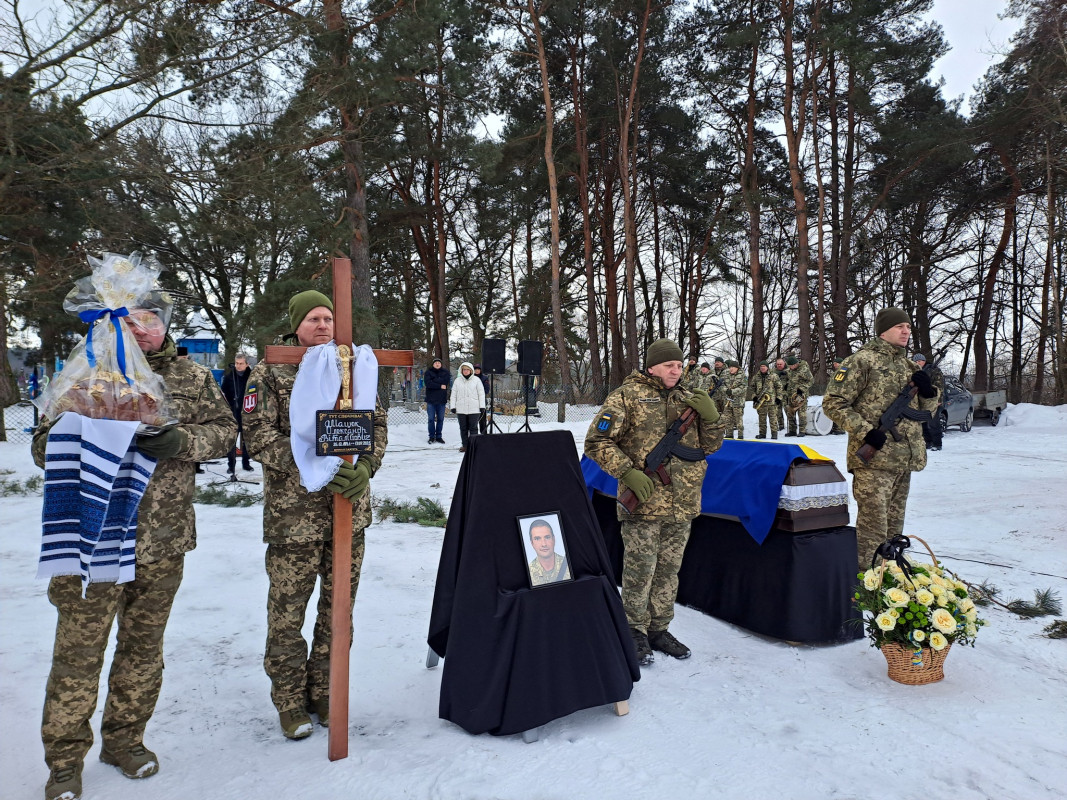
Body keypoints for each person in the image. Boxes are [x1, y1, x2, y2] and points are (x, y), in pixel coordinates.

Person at [32, 299, 236, 800]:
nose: (140, 330)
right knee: (78, 652)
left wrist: (180, 441)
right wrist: (83, 431)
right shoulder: (85, 377)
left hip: (162, 542)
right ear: (111, 328)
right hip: (93, 540)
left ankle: (125, 741)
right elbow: (41, 448)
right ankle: (64, 761)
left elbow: (225, 433)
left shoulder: (191, 377)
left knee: (143, 649)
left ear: (164, 327)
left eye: (150, 321)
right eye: (130, 322)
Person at [242, 289, 388, 740]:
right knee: (287, 614)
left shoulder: (354, 368)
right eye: (313, 319)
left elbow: (376, 423)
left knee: (337, 612)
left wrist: (364, 466)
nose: (323, 325)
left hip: (349, 514)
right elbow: (257, 434)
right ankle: (289, 703)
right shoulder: (270, 372)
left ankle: (325, 691)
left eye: (328, 317)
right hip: (294, 519)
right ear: (296, 324)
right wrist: (316, 465)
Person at [584, 338, 725, 665]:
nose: (676, 370)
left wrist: (713, 417)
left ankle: (659, 629)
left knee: (669, 571)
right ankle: (633, 630)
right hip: (644, 503)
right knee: (639, 570)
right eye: (668, 365)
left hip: (683, 502)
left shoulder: (690, 398)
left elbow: (711, 446)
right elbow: (596, 442)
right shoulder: (626, 397)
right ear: (651, 366)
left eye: (679, 365)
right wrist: (627, 473)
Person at [822, 308, 940, 568]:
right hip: (873, 460)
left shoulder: (909, 366)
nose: (906, 331)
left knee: (894, 531)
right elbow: (833, 403)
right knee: (873, 530)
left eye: (908, 326)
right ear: (883, 331)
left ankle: (890, 579)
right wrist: (866, 432)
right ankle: (866, 584)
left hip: (902, 460)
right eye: (900, 326)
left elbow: (925, 414)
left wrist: (930, 392)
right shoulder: (861, 361)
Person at [221, 352, 254, 473]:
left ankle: (246, 463)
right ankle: (231, 465)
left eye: (241, 364)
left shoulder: (252, 377)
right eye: (236, 363)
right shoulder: (230, 377)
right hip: (233, 412)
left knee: (247, 439)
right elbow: (223, 393)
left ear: (247, 364)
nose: (238, 366)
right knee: (232, 440)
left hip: (248, 412)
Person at [449, 361, 485, 452]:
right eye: (464, 369)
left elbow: (481, 394)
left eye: (467, 370)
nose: (465, 371)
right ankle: (465, 445)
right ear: (461, 371)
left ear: (471, 371)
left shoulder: (477, 380)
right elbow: (453, 395)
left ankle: (473, 446)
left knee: (473, 428)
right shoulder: (457, 381)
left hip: (474, 408)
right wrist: (453, 406)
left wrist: (482, 406)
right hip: (461, 409)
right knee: (463, 428)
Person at [912, 353, 944, 451]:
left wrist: (938, 400)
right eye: (916, 361)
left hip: (932, 400)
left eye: (920, 361)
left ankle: (937, 443)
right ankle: (928, 442)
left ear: (924, 361)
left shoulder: (934, 370)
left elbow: (939, 386)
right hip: (919, 400)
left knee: (934, 423)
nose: (918, 363)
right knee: (923, 423)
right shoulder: (914, 371)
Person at [527, 518, 571, 586]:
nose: (544, 544)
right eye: (537, 539)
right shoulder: (528, 573)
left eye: (547, 537)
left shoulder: (569, 564)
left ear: (554, 539)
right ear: (532, 543)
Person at [749, 360, 781, 439]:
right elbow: (751, 388)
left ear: (767, 367)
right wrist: (754, 397)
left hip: (772, 401)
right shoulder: (756, 377)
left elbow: (779, 387)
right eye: (761, 367)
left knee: (773, 418)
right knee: (762, 419)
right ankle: (762, 433)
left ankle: (774, 434)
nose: (762, 368)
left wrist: (779, 397)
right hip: (761, 401)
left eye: (764, 366)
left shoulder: (773, 376)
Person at [784, 355, 814, 436]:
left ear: (795, 364)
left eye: (790, 366)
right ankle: (792, 430)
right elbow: (791, 378)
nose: (789, 368)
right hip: (791, 394)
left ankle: (802, 431)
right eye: (789, 366)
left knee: (801, 413)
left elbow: (811, 381)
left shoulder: (804, 370)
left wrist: (802, 389)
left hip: (800, 395)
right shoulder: (790, 370)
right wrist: (787, 385)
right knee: (790, 412)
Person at [424, 357, 451, 444]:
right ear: (433, 364)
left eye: (439, 363)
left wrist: (434, 381)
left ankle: (439, 436)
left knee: (440, 419)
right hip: (431, 400)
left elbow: (445, 382)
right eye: (435, 363)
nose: (437, 364)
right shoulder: (428, 372)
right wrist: (439, 385)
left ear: (441, 364)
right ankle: (431, 436)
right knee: (431, 419)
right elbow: (428, 383)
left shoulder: (446, 372)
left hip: (441, 400)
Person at [722, 359, 747, 439]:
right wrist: (726, 390)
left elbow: (743, 387)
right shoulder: (726, 374)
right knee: (728, 418)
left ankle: (740, 435)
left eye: (733, 367)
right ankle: (729, 434)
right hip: (728, 401)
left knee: (738, 419)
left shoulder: (743, 375)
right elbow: (722, 385)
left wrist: (732, 391)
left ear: (737, 368)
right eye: (730, 367)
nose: (731, 369)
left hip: (738, 401)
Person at [473, 364, 490, 434]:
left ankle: (484, 434)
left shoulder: (485, 378)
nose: (477, 371)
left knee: (482, 420)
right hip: (472, 401)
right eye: (475, 369)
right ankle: (474, 434)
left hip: (481, 401)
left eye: (478, 369)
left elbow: (486, 390)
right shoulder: (470, 378)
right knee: (473, 420)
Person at [774, 357, 789, 431]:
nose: (779, 365)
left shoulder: (789, 370)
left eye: (781, 364)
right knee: (778, 411)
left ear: (784, 364)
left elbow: (793, 380)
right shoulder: (773, 372)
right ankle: (781, 425)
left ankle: (792, 425)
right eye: (778, 364)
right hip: (777, 394)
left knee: (788, 410)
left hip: (786, 395)